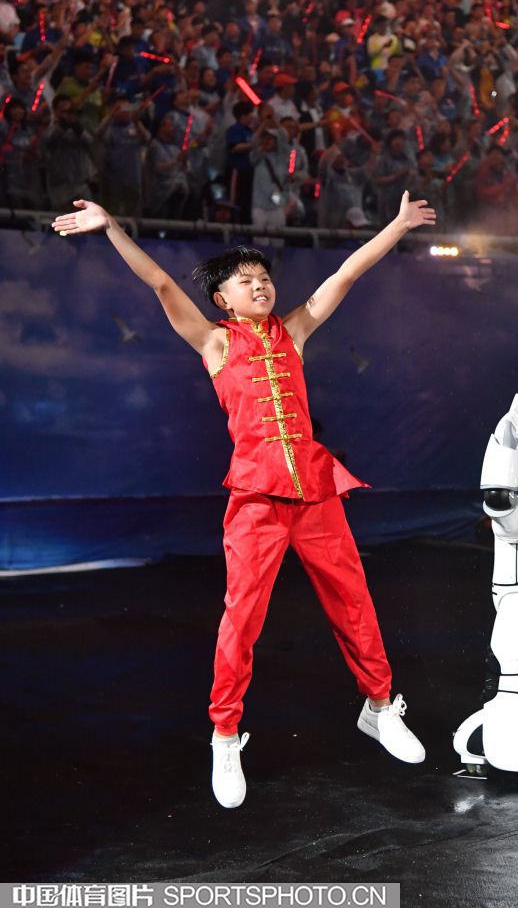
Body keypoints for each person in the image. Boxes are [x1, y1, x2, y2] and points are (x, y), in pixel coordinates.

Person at [51, 190, 435, 810]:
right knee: (243, 618)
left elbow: (347, 273)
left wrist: (396, 226)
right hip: (256, 497)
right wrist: (112, 226)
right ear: (223, 299)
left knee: (354, 600)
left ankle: (380, 706)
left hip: (314, 490)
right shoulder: (215, 342)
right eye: (245, 281)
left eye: (264, 278)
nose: (260, 286)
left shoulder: (294, 329)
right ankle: (225, 735)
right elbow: (160, 283)